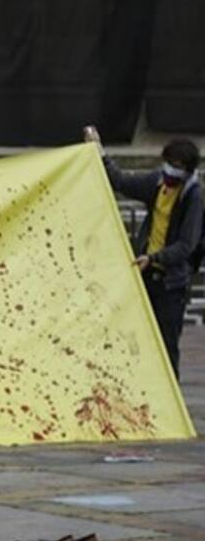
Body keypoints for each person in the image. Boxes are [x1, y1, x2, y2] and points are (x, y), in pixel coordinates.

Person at [84, 126, 202, 378]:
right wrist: (99, 151)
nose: (170, 169)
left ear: (188, 170)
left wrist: (155, 258)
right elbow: (122, 181)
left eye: (177, 165)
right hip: (146, 276)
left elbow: (186, 245)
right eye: (168, 163)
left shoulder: (193, 198)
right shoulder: (158, 183)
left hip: (171, 285)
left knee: (166, 346)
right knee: (135, 340)